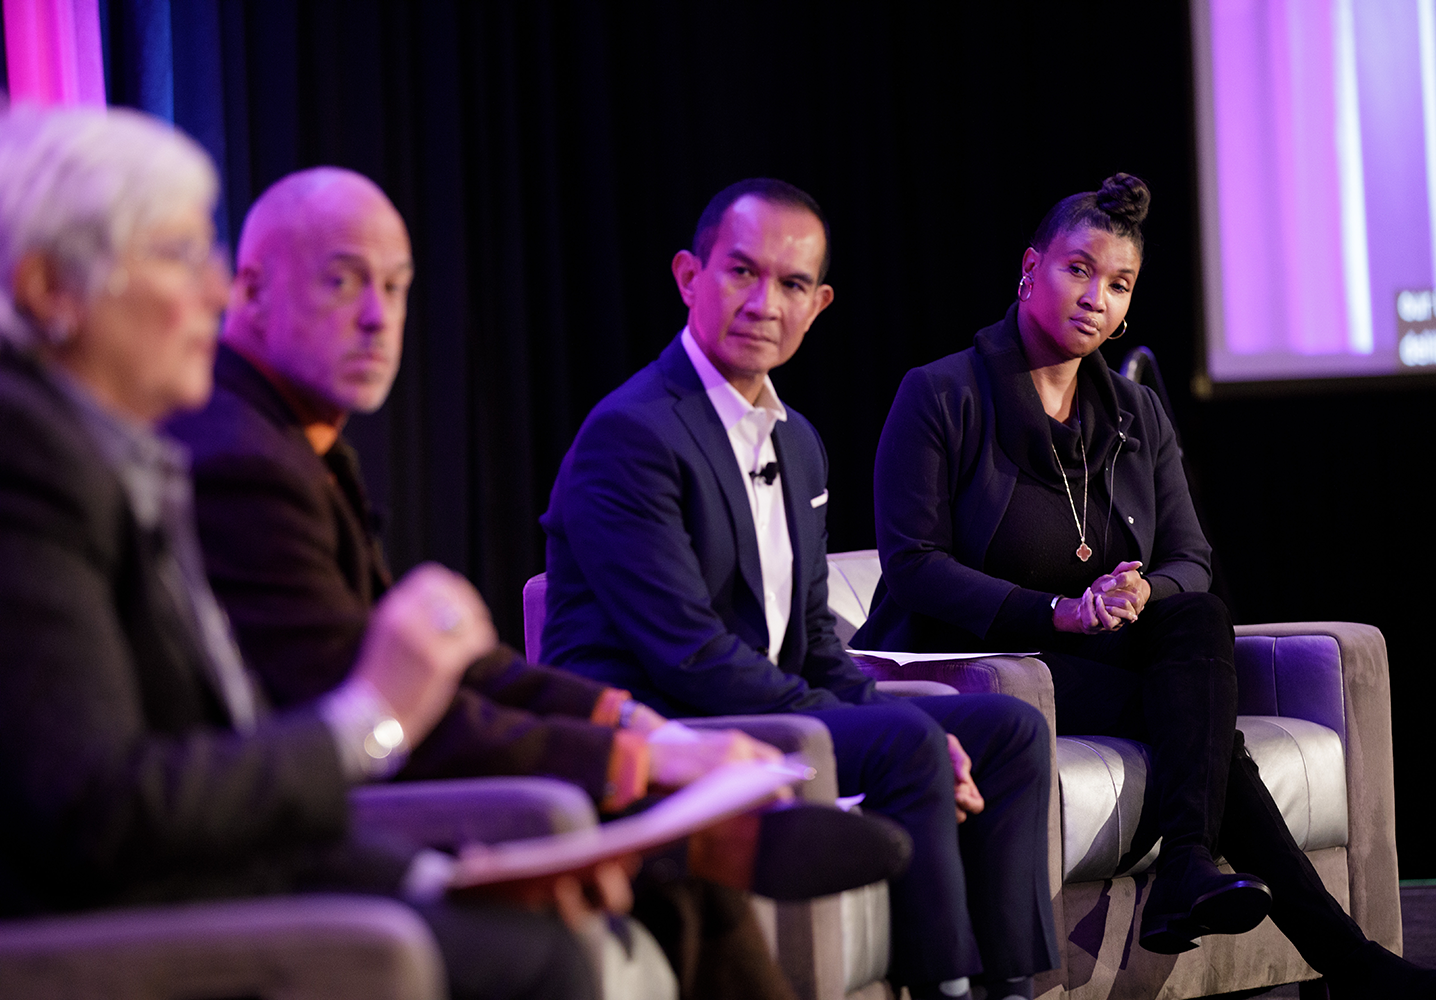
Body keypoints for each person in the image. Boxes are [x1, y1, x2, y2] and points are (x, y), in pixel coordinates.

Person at [165, 166, 907, 1000]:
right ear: (249, 291)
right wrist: (631, 758)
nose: (378, 318)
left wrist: (634, 734)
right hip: (284, 826)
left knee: (673, 855)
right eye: (343, 283)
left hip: (329, 792)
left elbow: (452, 670)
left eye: (397, 287)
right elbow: (374, 711)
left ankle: (701, 848)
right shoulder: (240, 457)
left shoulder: (298, 444)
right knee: (628, 869)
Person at [0, 106, 600, 1000]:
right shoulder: (27, 462)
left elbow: (211, 765)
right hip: (111, 929)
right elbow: (101, 812)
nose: (214, 292)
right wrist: (371, 714)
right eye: (175, 255)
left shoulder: (127, 456)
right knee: (536, 960)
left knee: (538, 927)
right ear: (51, 288)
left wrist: (432, 878)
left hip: (221, 877)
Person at [850, 173, 1436, 1000]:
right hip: (982, 664)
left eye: (1118, 285)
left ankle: (1192, 865)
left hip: (1096, 659)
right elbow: (914, 565)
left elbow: (1190, 557)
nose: (1095, 299)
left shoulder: (1135, 414)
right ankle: (1343, 957)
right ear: (1029, 270)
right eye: (1078, 270)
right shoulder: (942, 394)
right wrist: (1060, 611)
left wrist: (1139, 592)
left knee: (1197, 619)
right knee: (1201, 725)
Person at [542, 177, 1058, 1000]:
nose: (763, 303)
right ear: (689, 277)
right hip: (669, 720)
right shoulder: (632, 434)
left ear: (819, 305)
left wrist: (879, 704)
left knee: (1008, 730)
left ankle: (1014, 988)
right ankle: (945, 990)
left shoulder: (800, 443)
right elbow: (691, 656)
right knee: (909, 743)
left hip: (757, 702)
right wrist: (886, 724)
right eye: (741, 272)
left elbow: (816, 636)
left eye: (790, 285)